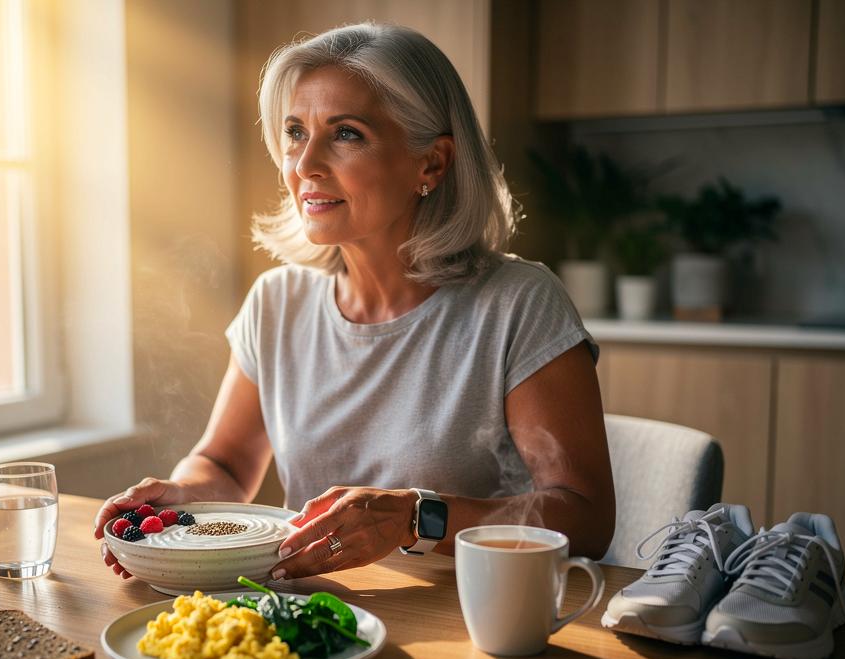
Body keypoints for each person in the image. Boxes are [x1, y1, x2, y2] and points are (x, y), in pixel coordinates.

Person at [94, 22, 614, 580]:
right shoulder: (277, 302)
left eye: (346, 133)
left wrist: (416, 517)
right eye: (295, 132)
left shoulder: (519, 305)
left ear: (432, 163)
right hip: (313, 607)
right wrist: (184, 495)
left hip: (467, 611)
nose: (304, 164)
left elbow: (585, 517)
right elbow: (225, 462)